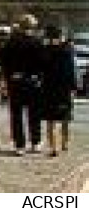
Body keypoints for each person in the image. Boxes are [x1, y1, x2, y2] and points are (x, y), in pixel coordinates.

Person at [0, 14, 47, 155]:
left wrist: (8, 76)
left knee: (16, 114)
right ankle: (35, 142)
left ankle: (19, 144)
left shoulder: (12, 42)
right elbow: (44, 62)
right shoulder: (37, 42)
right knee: (34, 113)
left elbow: (3, 60)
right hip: (33, 81)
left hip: (15, 81)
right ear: (33, 27)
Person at [40, 24, 76, 158]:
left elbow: (41, 70)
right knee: (62, 118)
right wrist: (73, 88)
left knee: (53, 119)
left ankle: (56, 146)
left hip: (50, 88)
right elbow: (71, 71)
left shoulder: (46, 51)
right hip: (62, 89)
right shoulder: (67, 50)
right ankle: (60, 144)